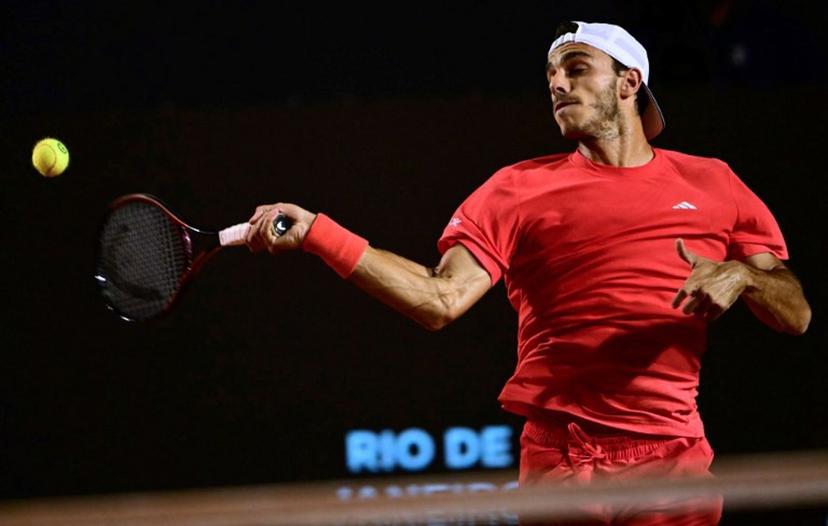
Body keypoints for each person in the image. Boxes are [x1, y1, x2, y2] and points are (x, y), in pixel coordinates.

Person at [245, 21, 811, 525]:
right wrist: (320, 233)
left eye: (577, 68)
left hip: (673, 459)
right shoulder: (517, 189)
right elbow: (439, 300)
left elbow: (796, 315)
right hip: (562, 462)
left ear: (629, 82)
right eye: (551, 76)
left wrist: (744, 275)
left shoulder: (713, 182)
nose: (558, 84)